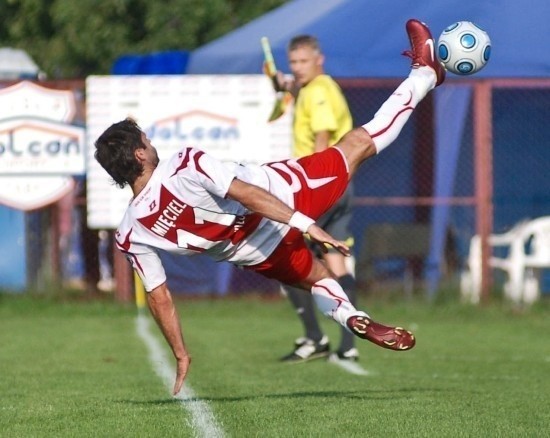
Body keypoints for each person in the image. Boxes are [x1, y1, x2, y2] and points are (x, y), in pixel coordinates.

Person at [94, 19, 445, 396]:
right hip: (285, 194)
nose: (150, 140)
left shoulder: (130, 231)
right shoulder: (181, 164)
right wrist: (306, 224)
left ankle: (353, 318)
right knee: (359, 141)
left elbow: (159, 295)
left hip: (258, 252)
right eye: (145, 139)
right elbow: (246, 193)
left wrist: (179, 353)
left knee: (319, 279)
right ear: (139, 154)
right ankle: (425, 73)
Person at [273, 35, 358, 363]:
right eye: (293, 62)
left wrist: (315, 188)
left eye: (303, 61)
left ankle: (314, 338)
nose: (298, 68)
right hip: (339, 188)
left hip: (319, 188)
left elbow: (322, 138)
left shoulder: (319, 90)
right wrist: (287, 87)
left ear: (319, 60)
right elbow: (298, 91)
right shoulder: (313, 88)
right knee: (337, 265)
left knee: (283, 258)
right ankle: (348, 346)